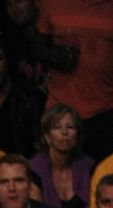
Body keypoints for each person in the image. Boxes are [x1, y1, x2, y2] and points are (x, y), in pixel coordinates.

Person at [36, 0, 113, 164]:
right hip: (60, 110)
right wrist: (50, 56)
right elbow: (37, 42)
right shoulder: (51, 3)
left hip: (105, 111)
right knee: (58, 178)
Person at [29, 105, 94, 208]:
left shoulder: (89, 167)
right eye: (57, 127)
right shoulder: (33, 170)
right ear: (47, 136)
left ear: (77, 135)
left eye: (70, 127)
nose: (65, 132)